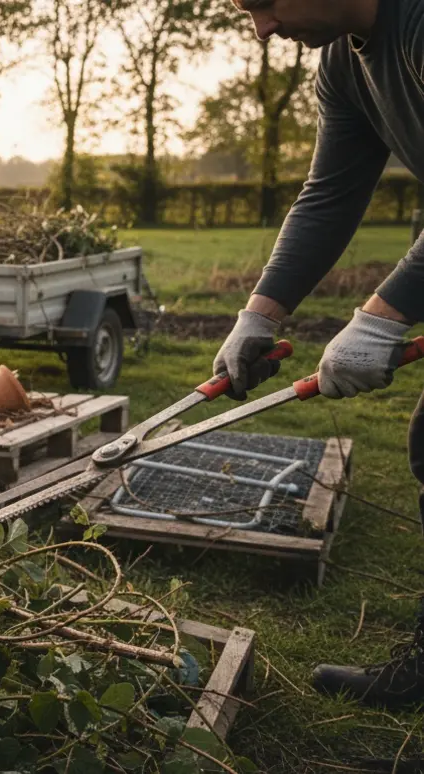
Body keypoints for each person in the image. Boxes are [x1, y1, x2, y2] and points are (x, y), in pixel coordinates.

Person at [220, 0, 424, 708]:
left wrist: (380, 314)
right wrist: (258, 315)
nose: (263, 30)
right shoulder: (343, 62)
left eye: (266, 4)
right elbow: (330, 195)